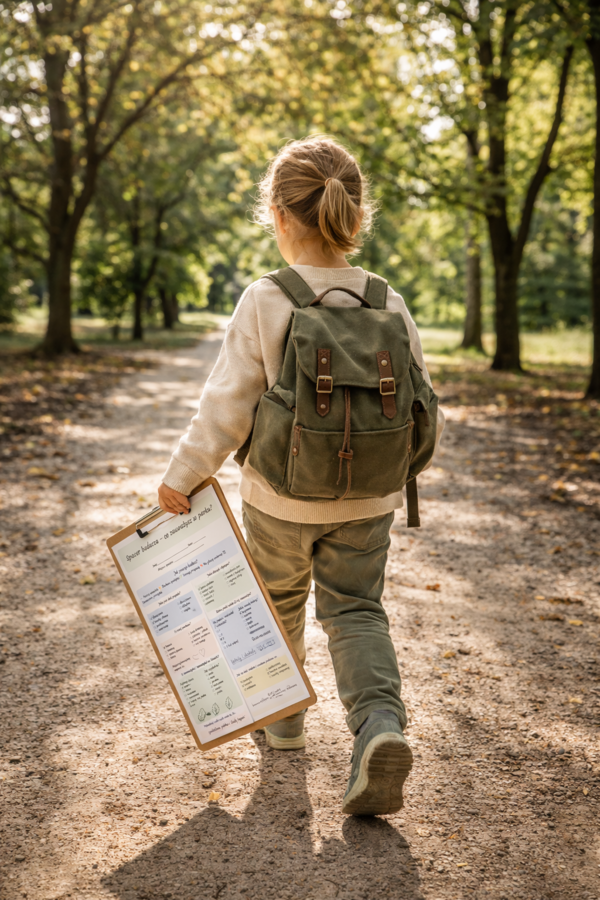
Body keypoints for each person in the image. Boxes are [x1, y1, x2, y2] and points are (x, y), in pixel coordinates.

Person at [157, 137, 444, 816]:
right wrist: (395, 474)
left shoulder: (267, 298)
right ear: (354, 214)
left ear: (280, 216)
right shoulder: (387, 299)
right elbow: (424, 404)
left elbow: (226, 406)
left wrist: (184, 476)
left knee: (275, 603)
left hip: (280, 500)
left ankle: (283, 721)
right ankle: (379, 726)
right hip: (368, 499)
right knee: (356, 610)